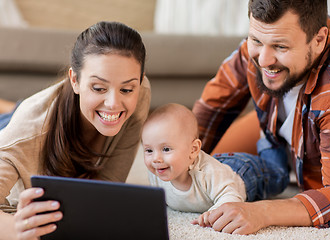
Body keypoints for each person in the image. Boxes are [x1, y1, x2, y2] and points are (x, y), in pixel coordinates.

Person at [192, 0, 330, 235]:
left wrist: (261, 212)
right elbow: (209, 112)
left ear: (319, 40)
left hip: (324, 145)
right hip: (279, 138)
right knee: (199, 175)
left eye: (280, 47)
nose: (263, 60)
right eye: (256, 41)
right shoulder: (259, 50)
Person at [0, 21, 151, 240]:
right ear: (75, 80)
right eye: (99, 88)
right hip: (12, 126)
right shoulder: (24, 138)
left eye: (127, 89)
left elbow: (106, 190)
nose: (113, 103)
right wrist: (14, 228)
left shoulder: (141, 92)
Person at [141, 103, 246, 225]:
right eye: (149, 150)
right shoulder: (157, 170)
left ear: (193, 149)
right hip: (217, 163)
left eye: (166, 149)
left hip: (242, 171)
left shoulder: (208, 172)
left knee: (271, 171)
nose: (155, 159)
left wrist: (213, 213)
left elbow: (233, 197)